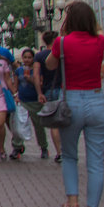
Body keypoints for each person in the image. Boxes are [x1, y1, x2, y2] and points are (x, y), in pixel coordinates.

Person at [44, 1, 104, 207]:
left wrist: (63, 34)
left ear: (68, 21)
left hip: (71, 102)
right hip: (97, 102)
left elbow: (50, 65)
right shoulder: (99, 40)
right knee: (96, 162)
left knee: (70, 156)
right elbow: (98, 30)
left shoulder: (62, 43)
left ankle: (72, 204)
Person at [34, 30, 63, 161]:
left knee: (54, 124)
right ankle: (67, 150)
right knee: (67, 120)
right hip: (65, 89)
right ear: (56, 40)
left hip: (48, 90)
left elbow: (36, 75)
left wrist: (39, 93)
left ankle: (59, 152)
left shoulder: (39, 56)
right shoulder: (62, 53)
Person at [15, 48, 47, 160]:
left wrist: (31, 79)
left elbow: (41, 84)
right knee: (20, 124)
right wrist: (16, 95)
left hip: (35, 101)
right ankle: (17, 147)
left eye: (29, 57)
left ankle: (43, 147)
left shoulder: (37, 70)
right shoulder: (19, 70)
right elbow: (16, 84)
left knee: (38, 126)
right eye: (25, 57)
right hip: (23, 100)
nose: (27, 60)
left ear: (33, 58)